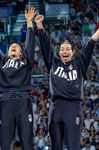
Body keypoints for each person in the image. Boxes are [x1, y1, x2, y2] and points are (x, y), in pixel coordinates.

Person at [35, 14, 99, 150]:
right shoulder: (53, 63)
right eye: (62, 49)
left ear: (72, 52)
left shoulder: (79, 63)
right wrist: (40, 26)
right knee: (55, 147)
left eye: (67, 49)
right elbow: (46, 46)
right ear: (59, 53)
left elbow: (88, 46)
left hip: (73, 108)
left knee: (73, 146)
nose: (64, 51)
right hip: (56, 107)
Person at [0, 6, 36, 149]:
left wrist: (29, 23)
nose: (13, 46)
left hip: (23, 101)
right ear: (8, 52)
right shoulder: (3, 60)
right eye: (11, 46)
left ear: (21, 52)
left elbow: (30, 44)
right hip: (6, 102)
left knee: (27, 140)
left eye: (16, 46)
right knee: (4, 142)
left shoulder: (26, 59)